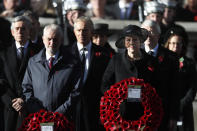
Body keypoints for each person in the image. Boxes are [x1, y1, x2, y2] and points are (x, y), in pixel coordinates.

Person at [22, 24, 81, 120]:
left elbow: (76, 92)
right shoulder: (33, 62)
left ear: (61, 40)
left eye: (55, 39)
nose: (52, 42)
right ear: (43, 39)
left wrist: (58, 114)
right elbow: (27, 89)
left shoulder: (72, 63)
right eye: (49, 39)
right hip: (38, 119)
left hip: (63, 119)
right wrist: (40, 113)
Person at [67, 16, 110, 131]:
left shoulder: (104, 54)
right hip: (69, 108)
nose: (82, 33)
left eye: (85, 30)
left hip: (93, 109)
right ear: (74, 31)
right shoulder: (65, 53)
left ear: (91, 32)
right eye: (79, 30)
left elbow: (107, 82)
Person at [0, 15, 38, 131]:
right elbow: (1, 80)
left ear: (29, 31)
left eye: (23, 28)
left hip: (32, 107)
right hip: (9, 109)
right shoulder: (3, 54)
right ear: (12, 32)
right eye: (16, 29)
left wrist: (24, 100)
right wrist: (13, 103)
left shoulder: (39, 52)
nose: (20, 31)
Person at [141, 19, 180, 131]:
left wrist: (173, 116)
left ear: (158, 35)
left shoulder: (171, 58)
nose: (148, 35)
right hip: (139, 111)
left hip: (163, 111)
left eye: (151, 32)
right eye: (145, 32)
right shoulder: (134, 54)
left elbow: (175, 88)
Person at [164, 26, 197, 131]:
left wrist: (180, 105)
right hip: (166, 109)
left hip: (184, 109)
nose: (175, 46)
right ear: (168, 44)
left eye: (178, 44)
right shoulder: (162, 62)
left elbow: (192, 88)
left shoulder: (189, 63)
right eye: (173, 43)